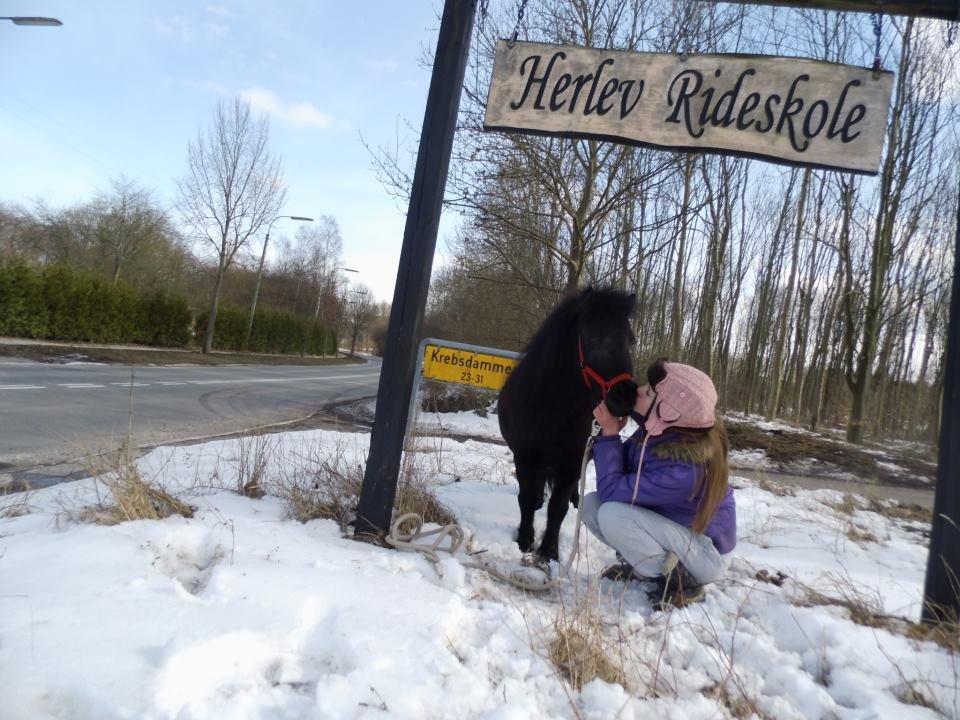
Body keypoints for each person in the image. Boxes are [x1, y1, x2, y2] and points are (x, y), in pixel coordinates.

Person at [582, 358, 735, 610]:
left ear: (669, 410)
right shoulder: (657, 432)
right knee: (592, 504)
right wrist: (613, 430)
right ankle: (645, 565)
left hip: (706, 556)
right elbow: (622, 481)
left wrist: (610, 435)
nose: (639, 390)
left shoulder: (685, 468)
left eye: (650, 392)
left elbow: (614, 491)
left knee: (611, 513)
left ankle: (680, 581)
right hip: (676, 534)